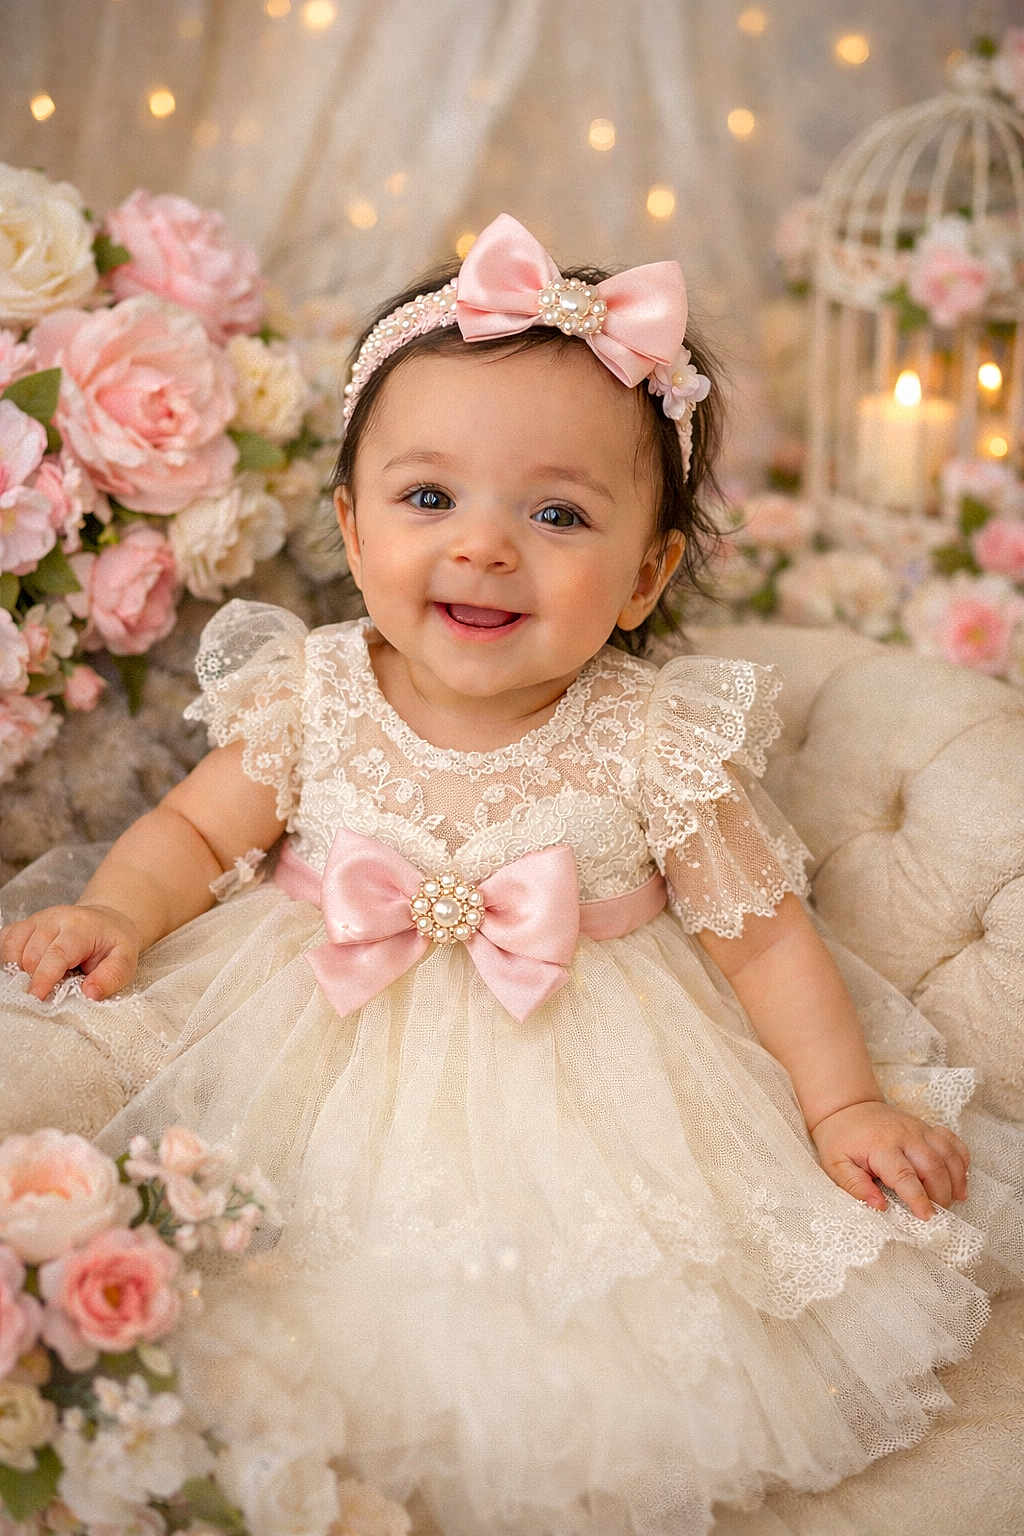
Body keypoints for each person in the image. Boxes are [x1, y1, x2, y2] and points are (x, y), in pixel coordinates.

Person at [1, 214, 1021, 1536]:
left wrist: (840, 1112)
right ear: (354, 532)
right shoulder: (313, 689)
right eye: (429, 498)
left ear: (648, 573)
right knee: (257, 1264)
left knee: (590, 1319)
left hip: (602, 1079)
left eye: (558, 513)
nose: (484, 547)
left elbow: (762, 940)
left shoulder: (658, 739)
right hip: (313, 1035)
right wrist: (116, 910)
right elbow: (196, 837)